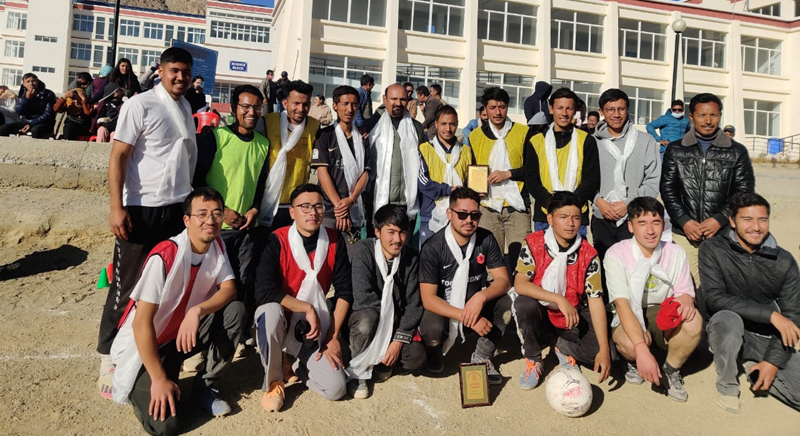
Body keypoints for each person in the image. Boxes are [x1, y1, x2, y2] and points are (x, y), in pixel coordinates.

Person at [97, 48, 197, 399]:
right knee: (128, 285)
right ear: (160, 70)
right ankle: (109, 356)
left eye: (185, 71)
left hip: (174, 209)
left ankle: (151, 348)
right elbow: (119, 155)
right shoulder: (140, 104)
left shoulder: (187, 107)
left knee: (163, 286)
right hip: (141, 208)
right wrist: (116, 206)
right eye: (174, 71)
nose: (180, 77)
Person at [109, 187, 245, 435]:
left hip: (182, 335)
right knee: (167, 426)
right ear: (187, 220)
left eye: (216, 214)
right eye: (201, 214)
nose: (210, 220)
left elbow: (230, 290)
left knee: (235, 310)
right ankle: (147, 383)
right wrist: (159, 379)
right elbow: (141, 324)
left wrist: (196, 311)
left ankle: (205, 386)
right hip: (149, 346)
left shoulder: (217, 247)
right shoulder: (165, 256)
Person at [254, 184, 352, 412]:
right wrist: (307, 307)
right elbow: (264, 291)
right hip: (282, 322)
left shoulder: (335, 241)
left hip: (311, 329)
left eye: (318, 206)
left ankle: (295, 363)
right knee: (269, 311)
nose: (313, 212)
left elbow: (345, 291)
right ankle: (274, 382)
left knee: (336, 388)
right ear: (292, 212)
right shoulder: (277, 240)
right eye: (305, 207)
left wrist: (332, 336)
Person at [701, 192, 800, 413]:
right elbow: (715, 298)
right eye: (747, 219)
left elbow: (792, 315)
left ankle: (750, 363)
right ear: (732, 221)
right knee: (727, 319)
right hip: (725, 325)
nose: (756, 227)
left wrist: (773, 362)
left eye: (762, 219)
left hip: (764, 335)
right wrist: (771, 315)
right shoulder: (713, 249)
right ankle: (727, 384)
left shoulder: (784, 261)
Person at [606, 197, 701, 402]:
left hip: (661, 310)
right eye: (642, 223)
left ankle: (670, 369)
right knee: (631, 345)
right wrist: (641, 351)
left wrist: (686, 299)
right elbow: (621, 305)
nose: (650, 230)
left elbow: (684, 292)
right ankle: (632, 360)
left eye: (655, 222)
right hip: (630, 310)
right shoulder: (616, 254)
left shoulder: (675, 252)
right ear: (630, 226)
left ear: (663, 225)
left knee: (694, 321)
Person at [512, 192, 611, 390]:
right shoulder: (533, 243)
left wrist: (605, 349)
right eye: (563, 217)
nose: (570, 224)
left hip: (573, 312)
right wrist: (558, 299)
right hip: (542, 308)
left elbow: (595, 299)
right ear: (550, 218)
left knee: (601, 352)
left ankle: (562, 346)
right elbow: (520, 284)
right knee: (524, 304)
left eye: (575, 218)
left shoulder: (589, 254)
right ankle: (534, 358)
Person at [193, 84, 270, 339]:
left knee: (240, 284)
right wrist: (222, 211)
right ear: (234, 108)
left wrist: (255, 210)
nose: (252, 112)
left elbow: (260, 184)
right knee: (207, 287)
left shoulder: (263, 144)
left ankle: (229, 337)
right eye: (246, 106)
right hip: (214, 230)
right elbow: (196, 181)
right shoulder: (215, 138)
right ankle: (199, 340)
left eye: (257, 107)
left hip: (247, 231)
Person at [660, 93, 755, 298]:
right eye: (702, 115)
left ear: (720, 115)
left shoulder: (737, 151)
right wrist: (685, 221)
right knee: (689, 291)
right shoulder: (676, 150)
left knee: (723, 290)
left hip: (724, 233)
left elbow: (744, 192)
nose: (708, 120)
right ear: (692, 117)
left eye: (714, 115)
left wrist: (720, 219)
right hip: (686, 234)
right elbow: (668, 189)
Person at [418, 187, 512, 384]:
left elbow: (503, 280)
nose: (469, 220)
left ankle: (482, 356)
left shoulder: (486, 239)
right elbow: (428, 299)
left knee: (506, 303)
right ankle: (435, 352)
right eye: (462, 214)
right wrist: (468, 318)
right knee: (432, 329)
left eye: (474, 215)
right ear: (449, 214)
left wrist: (481, 297)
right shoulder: (433, 247)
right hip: (443, 306)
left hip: (474, 300)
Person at [345, 204, 425, 399]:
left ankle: (383, 360)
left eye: (402, 233)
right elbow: (363, 297)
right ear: (377, 231)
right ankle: (360, 368)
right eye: (391, 232)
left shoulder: (411, 258)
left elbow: (414, 303)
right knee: (367, 319)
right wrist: (390, 325)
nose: (397, 239)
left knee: (416, 357)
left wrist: (397, 340)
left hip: (395, 321)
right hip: (368, 315)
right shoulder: (363, 251)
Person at [592, 89, 661, 262]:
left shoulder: (646, 141)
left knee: (635, 269)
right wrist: (599, 202)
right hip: (601, 216)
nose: (616, 114)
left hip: (635, 217)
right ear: (601, 112)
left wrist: (627, 203)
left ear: (628, 111)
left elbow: (653, 182)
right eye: (610, 110)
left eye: (621, 109)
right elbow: (586, 180)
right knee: (604, 267)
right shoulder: (592, 142)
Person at [524, 87, 600, 237]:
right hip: (545, 215)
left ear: (575, 111)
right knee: (546, 259)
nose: (564, 113)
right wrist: (551, 203)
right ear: (551, 109)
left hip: (577, 215)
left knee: (576, 259)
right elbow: (531, 179)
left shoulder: (587, 140)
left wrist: (570, 204)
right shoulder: (536, 141)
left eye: (569, 108)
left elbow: (591, 179)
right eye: (559, 108)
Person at [469, 87, 531, 263]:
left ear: (507, 108)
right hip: (487, 206)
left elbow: (532, 169)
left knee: (521, 260)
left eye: (502, 107)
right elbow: (471, 169)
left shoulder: (523, 132)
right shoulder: (475, 136)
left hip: (517, 206)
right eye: (493, 107)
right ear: (485, 110)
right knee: (491, 260)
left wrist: (508, 174)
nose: (497, 112)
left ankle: (520, 289)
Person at [256, 80, 320, 231]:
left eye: (305, 104)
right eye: (296, 103)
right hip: (268, 201)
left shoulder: (314, 127)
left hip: (297, 204)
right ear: (285, 103)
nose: (301, 109)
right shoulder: (267, 123)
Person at [364, 83, 426, 238]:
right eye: (394, 99)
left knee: (403, 248)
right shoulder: (371, 126)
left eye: (403, 99)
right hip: (377, 198)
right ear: (385, 99)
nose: (398, 103)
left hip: (406, 202)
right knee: (377, 246)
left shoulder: (416, 128)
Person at [312, 85, 370, 241]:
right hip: (331, 211)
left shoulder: (363, 138)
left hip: (354, 207)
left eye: (354, 104)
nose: (350, 109)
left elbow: (365, 173)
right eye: (345, 104)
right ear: (335, 106)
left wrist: (350, 201)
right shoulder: (325, 136)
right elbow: (322, 173)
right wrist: (340, 208)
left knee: (351, 260)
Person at [418, 105, 472, 244]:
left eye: (452, 124)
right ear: (436, 124)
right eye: (443, 124)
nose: (448, 129)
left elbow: (469, 181)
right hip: (431, 215)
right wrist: (448, 190)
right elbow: (423, 183)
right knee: (429, 262)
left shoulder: (465, 151)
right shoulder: (425, 149)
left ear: (457, 124)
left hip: (459, 215)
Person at [0, 73, 55, 138]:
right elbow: (19, 111)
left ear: (37, 82)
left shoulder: (48, 94)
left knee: (35, 131)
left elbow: (48, 114)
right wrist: (27, 99)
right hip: (25, 122)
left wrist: (31, 124)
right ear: (24, 84)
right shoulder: (23, 93)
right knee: (3, 128)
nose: (31, 83)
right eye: (28, 82)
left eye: (33, 81)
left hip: (43, 123)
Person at [53, 73, 94, 140]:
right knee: (68, 128)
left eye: (78, 98)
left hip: (84, 124)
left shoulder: (86, 102)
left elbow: (87, 112)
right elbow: (56, 109)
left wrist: (83, 100)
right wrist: (64, 97)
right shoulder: (69, 102)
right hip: (72, 122)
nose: (76, 101)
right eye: (74, 98)